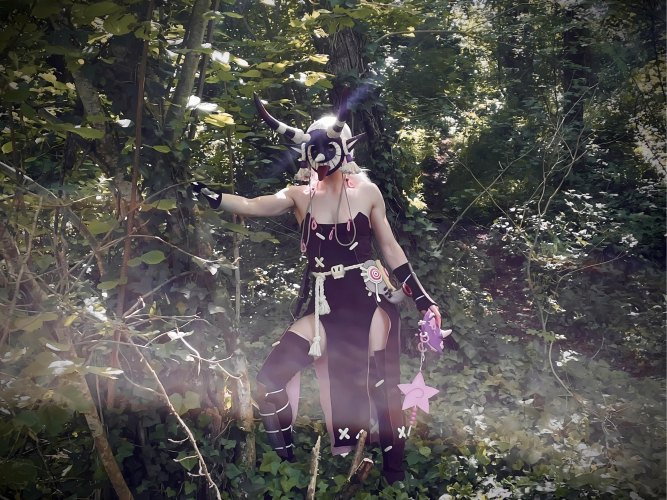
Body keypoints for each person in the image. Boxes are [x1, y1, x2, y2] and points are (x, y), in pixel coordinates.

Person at [193, 89, 441, 484]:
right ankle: (287, 465)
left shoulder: (367, 192)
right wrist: (215, 198)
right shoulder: (299, 195)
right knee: (270, 378)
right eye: (315, 150)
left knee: (383, 388)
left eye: (330, 148)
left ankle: (394, 474)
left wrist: (423, 299)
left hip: (368, 302)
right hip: (325, 305)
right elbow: (255, 205)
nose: (322, 157)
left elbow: (391, 247)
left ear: (346, 148)